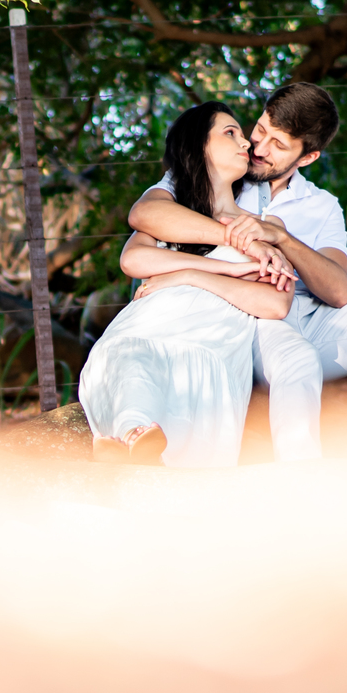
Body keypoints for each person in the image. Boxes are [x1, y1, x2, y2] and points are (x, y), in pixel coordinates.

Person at [128, 83, 347, 464]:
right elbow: (146, 215)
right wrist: (241, 237)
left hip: (314, 322)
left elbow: (339, 291)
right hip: (246, 316)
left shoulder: (322, 205)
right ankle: (299, 483)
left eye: (279, 146)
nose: (259, 149)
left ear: (309, 156)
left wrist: (281, 238)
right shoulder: (213, 171)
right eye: (261, 130)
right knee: (295, 356)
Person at [79, 102, 295, 467]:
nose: (247, 144)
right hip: (143, 332)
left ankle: (132, 445)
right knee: (131, 358)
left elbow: (276, 304)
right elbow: (133, 260)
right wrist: (217, 269)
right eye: (230, 133)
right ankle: (134, 437)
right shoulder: (172, 214)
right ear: (198, 146)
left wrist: (187, 276)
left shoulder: (262, 228)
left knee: (173, 388)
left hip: (207, 347)